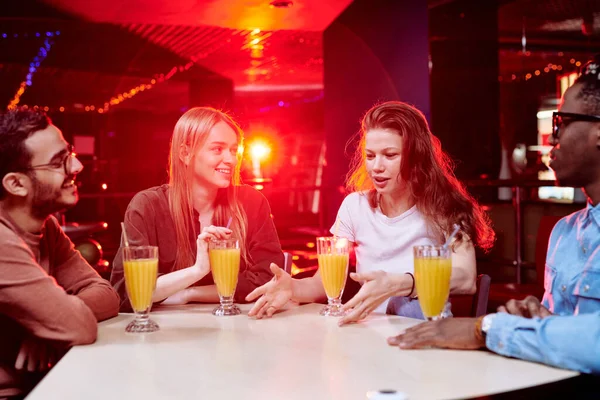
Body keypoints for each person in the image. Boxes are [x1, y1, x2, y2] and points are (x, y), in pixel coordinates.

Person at [387, 56, 600, 374]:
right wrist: (534, 317)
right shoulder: (565, 231)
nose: (552, 138)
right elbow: (565, 331)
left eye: (562, 122)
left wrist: (484, 329)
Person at [246, 101, 495, 324]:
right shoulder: (355, 206)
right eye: (370, 156)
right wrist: (293, 288)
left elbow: (465, 278)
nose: (377, 167)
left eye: (390, 155)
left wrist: (400, 284)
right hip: (370, 331)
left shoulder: (446, 208)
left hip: (422, 330)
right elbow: (324, 283)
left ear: (416, 156)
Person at [110, 107, 283, 311]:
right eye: (217, 149)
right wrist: (196, 271)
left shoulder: (251, 202)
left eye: (233, 150)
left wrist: (190, 294)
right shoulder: (148, 206)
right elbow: (125, 292)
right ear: (185, 153)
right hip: (166, 334)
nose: (231, 160)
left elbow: (268, 280)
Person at [0, 109, 120, 398]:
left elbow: (106, 294)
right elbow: (78, 326)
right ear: (16, 184)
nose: (76, 166)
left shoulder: (47, 227)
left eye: (70, 154)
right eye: (58, 162)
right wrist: (57, 321)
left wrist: (46, 323)